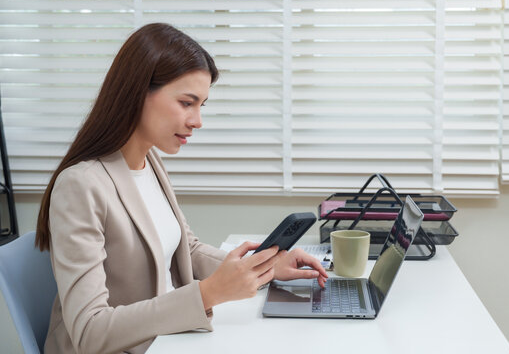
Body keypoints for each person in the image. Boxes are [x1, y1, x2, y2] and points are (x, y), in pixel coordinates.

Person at [35, 23, 328, 354]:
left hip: (163, 341)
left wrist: (265, 267)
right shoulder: (81, 185)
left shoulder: (151, 162)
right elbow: (89, 333)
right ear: (137, 92)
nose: (197, 120)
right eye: (187, 102)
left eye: (202, 105)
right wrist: (208, 294)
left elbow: (185, 249)